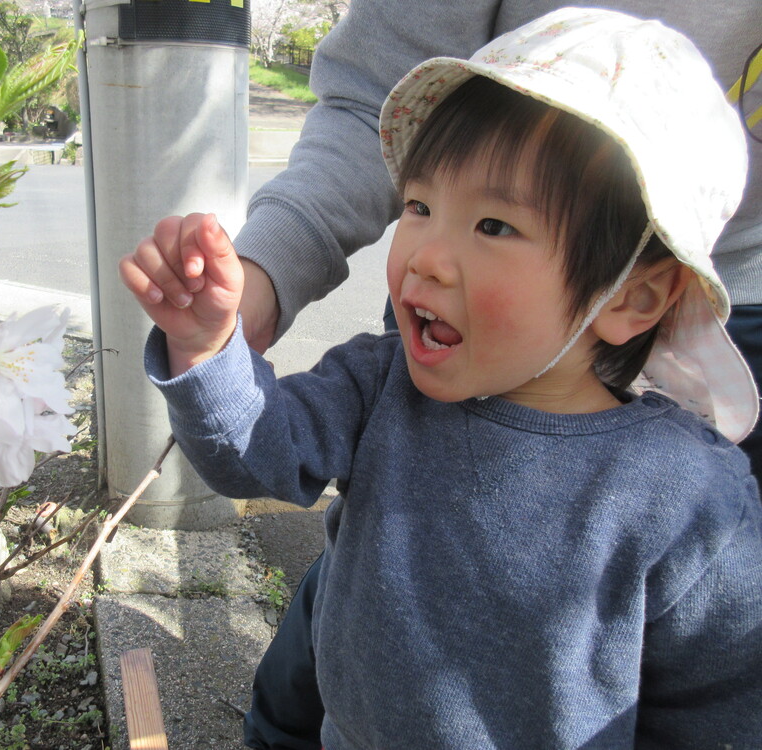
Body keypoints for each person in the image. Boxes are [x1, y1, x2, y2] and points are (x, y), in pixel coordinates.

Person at [119, 9, 762, 747]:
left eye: (493, 226)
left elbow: (716, 712)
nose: (423, 254)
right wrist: (205, 347)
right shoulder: (379, 383)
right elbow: (253, 450)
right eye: (420, 206)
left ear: (632, 297)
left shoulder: (688, 498)